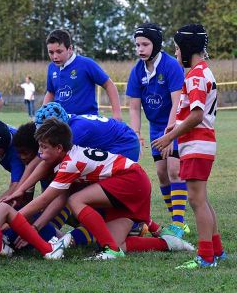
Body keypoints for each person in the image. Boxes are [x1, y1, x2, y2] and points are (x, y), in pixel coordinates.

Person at [18, 118, 186, 260]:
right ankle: (170, 243)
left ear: (59, 148)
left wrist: (13, 219)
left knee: (76, 200)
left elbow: (44, 199)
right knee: (117, 242)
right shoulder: (70, 156)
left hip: (131, 179)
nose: (40, 153)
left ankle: (110, 249)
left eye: (43, 147)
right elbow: (55, 197)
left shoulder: (70, 164)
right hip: (134, 179)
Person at [152, 24, 226, 269]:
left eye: (176, 49)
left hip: (197, 144)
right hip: (200, 144)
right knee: (202, 199)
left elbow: (196, 115)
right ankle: (217, 250)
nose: (175, 54)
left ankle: (206, 257)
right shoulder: (204, 72)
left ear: (186, 48)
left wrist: (170, 135)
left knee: (196, 201)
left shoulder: (195, 75)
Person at [127, 23, 190, 236]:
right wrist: (136, 134)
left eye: (145, 44)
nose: (140, 49)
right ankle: (177, 219)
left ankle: (179, 224)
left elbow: (177, 103)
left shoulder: (171, 66)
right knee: (162, 174)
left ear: (156, 44)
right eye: (137, 45)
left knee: (174, 170)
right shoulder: (137, 71)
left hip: (176, 124)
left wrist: (170, 134)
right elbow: (134, 107)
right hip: (156, 129)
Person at [43, 29, 122, 120]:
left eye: (59, 51)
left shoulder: (86, 64)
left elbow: (109, 85)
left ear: (70, 49)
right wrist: (43, 113)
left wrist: (117, 114)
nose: (55, 56)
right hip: (62, 122)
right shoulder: (52, 67)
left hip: (86, 121)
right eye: (51, 52)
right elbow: (51, 92)